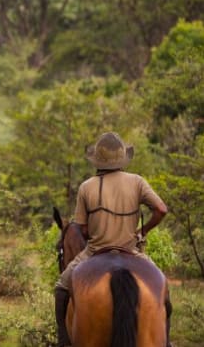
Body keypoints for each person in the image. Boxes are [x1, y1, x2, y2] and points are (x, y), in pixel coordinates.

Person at [54, 132, 169, 347]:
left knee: (61, 286)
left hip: (94, 251)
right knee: (161, 283)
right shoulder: (138, 181)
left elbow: (82, 228)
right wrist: (143, 230)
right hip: (132, 250)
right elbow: (161, 209)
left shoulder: (86, 186)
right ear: (122, 159)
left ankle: (63, 341)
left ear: (97, 160)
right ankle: (167, 341)